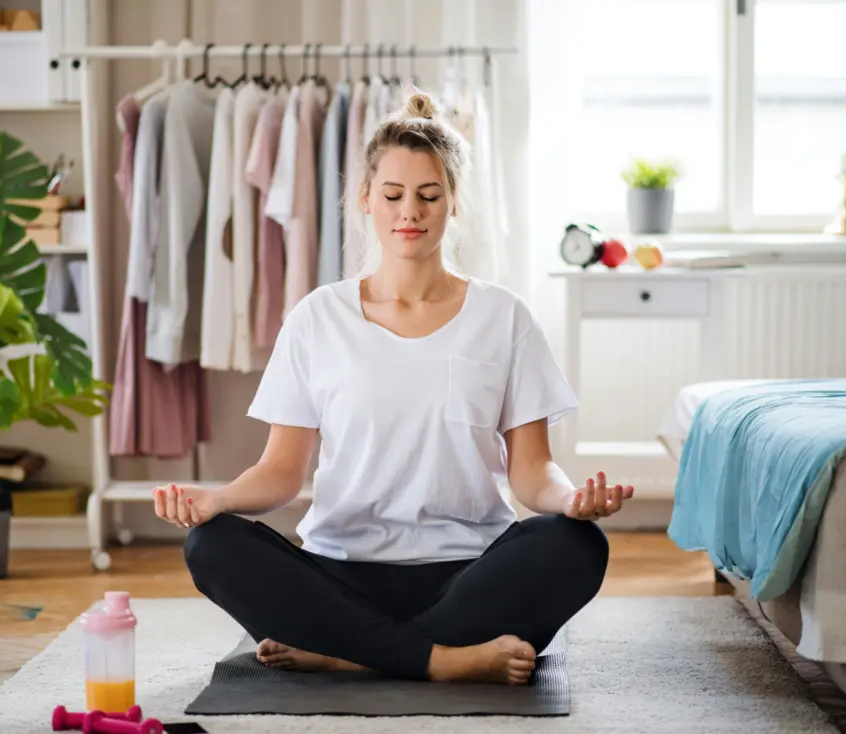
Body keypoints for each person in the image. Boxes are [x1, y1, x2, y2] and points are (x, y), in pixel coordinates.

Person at [153, 90, 635, 686]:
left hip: (469, 572)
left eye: (430, 195)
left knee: (578, 546)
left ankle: (346, 652)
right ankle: (441, 659)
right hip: (341, 571)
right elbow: (282, 471)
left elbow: (533, 472)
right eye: (393, 195)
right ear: (365, 200)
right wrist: (217, 500)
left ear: (452, 203)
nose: (411, 211)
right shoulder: (316, 317)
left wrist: (571, 502)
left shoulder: (503, 317)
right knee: (211, 546)